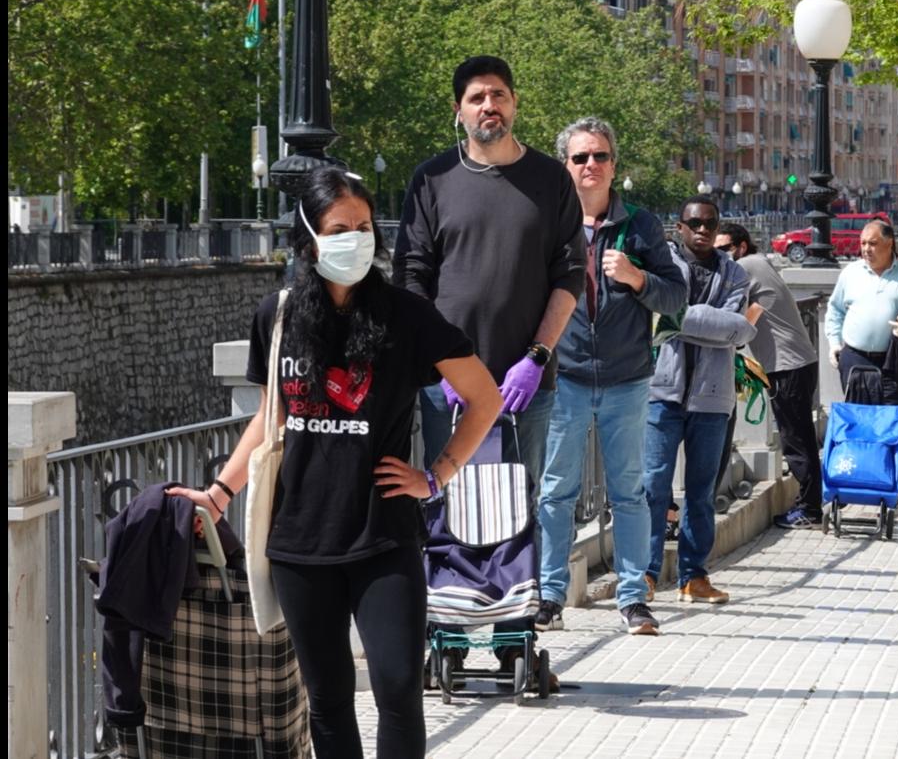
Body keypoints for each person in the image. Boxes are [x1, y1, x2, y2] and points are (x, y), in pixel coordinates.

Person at [168, 167, 501, 758]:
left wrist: (436, 476)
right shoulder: (277, 315)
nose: (355, 240)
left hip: (383, 534)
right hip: (300, 542)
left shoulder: (408, 316)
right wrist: (218, 494)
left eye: (364, 227)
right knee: (327, 698)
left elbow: (485, 398)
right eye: (339, 229)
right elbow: (270, 418)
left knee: (399, 688)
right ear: (309, 241)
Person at [391, 55, 586, 672]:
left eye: (498, 95)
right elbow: (411, 279)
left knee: (517, 505)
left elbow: (570, 277)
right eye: (476, 97)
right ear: (459, 109)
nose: (488, 107)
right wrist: (440, 361)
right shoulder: (432, 179)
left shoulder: (550, 180)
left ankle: (511, 636)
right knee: (446, 500)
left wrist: (537, 357)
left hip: (526, 383)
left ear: (515, 103)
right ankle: (447, 629)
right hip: (445, 386)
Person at [535, 117, 686, 636]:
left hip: (627, 379)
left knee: (630, 493)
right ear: (565, 166)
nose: (591, 165)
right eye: (580, 157)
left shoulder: (640, 226)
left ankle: (633, 598)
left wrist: (637, 277)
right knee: (556, 491)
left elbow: (676, 296)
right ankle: (549, 596)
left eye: (600, 156)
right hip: (565, 378)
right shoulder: (547, 224)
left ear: (614, 165)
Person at [645, 195, 756, 604]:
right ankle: (644, 573)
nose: (703, 230)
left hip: (712, 397)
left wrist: (675, 319)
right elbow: (655, 313)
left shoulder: (735, 273)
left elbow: (736, 330)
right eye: (694, 223)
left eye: (710, 223)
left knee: (701, 491)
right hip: (661, 392)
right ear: (680, 228)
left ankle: (694, 576)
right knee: (652, 487)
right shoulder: (662, 265)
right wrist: (716, 326)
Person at [714, 222, 824, 531]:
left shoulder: (745, 266)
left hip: (788, 366)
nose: (719, 255)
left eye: (723, 249)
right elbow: (753, 313)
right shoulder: (759, 263)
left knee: (795, 439)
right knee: (800, 435)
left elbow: (724, 308)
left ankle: (810, 508)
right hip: (796, 363)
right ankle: (811, 502)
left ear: (741, 247)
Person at [826, 219, 898, 405]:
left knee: (889, 419)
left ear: (889, 243)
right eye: (863, 243)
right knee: (858, 418)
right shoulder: (850, 273)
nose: (866, 249)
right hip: (854, 359)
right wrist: (834, 343)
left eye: (872, 243)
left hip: (893, 362)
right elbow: (835, 310)